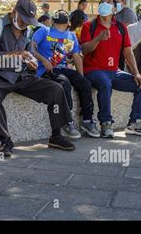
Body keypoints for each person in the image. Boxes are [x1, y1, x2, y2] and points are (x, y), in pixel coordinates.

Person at [0, 0, 76, 156]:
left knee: (56, 89)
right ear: (14, 12)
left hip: (22, 75)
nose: (25, 24)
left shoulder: (27, 31)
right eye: (23, 20)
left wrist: (31, 63)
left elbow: (28, 55)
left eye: (28, 21)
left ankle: (56, 135)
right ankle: (5, 139)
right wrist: (16, 54)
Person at [80, 0, 141, 138]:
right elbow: (85, 50)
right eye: (102, 2)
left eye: (109, 2)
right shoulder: (89, 26)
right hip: (94, 70)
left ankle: (134, 123)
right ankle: (106, 124)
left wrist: (136, 73)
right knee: (105, 84)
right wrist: (98, 38)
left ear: (114, 9)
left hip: (114, 72)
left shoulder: (121, 27)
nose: (105, 4)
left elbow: (127, 51)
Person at [31, 10, 99, 138]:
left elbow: (76, 56)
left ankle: (87, 120)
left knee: (85, 83)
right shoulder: (44, 31)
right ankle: (67, 121)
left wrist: (81, 77)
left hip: (62, 67)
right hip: (46, 69)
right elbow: (31, 48)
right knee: (63, 83)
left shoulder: (70, 36)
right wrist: (43, 60)